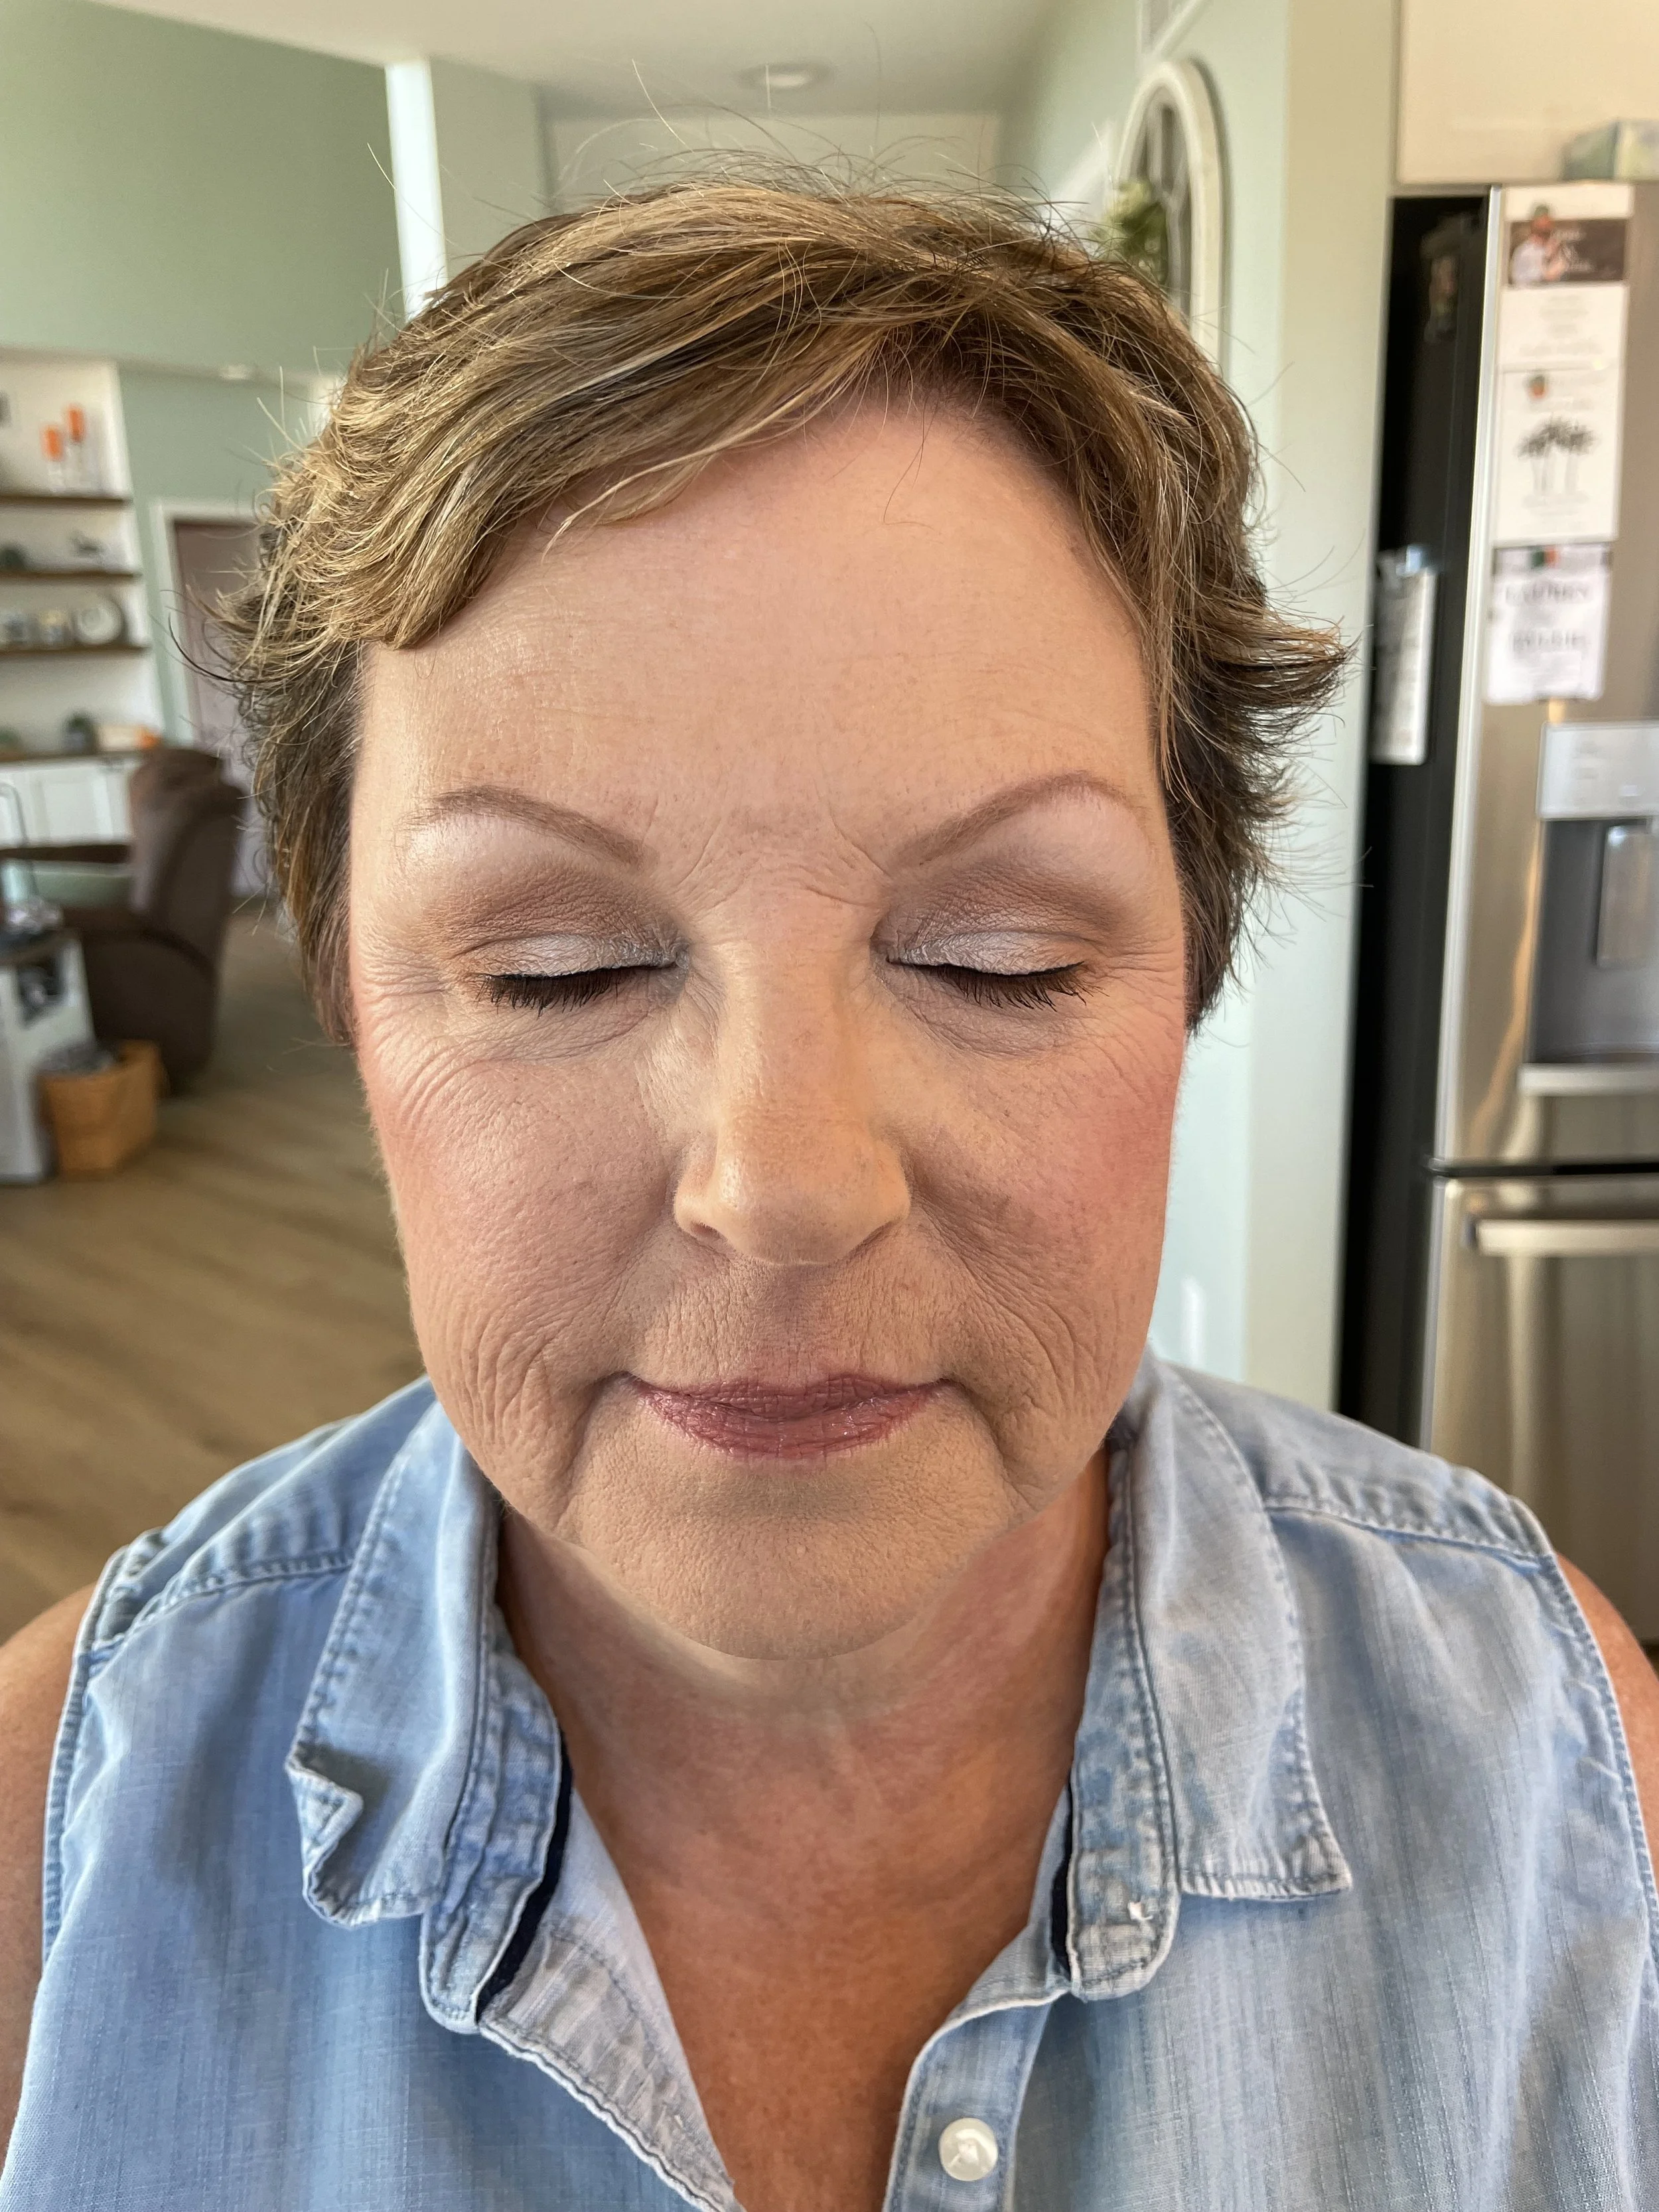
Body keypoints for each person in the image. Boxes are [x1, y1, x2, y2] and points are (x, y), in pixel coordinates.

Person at [1, 181, 1656, 2211]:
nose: (781, 1186)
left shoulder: (1544, 1762)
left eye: (995, 962)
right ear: (348, 994)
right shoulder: (54, 1834)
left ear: (1190, 975)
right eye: (554, 970)